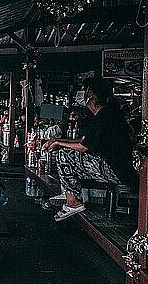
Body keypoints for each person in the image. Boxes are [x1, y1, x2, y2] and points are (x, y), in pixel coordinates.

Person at [43, 78, 137, 221]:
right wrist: (57, 140)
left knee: (64, 154)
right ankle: (69, 192)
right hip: (117, 168)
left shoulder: (104, 116)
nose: (81, 94)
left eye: (84, 90)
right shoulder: (105, 114)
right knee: (64, 150)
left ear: (91, 96)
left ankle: (72, 202)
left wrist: (59, 144)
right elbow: (83, 140)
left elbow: (83, 147)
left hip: (117, 171)